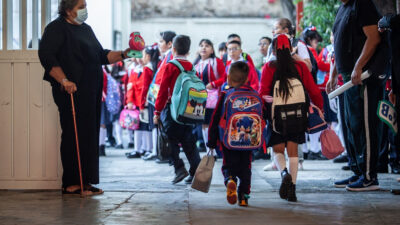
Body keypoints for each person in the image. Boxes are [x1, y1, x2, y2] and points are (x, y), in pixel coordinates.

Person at [38, 0, 131, 195]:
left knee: (89, 134)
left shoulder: (86, 29)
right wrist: (64, 80)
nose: (84, 10)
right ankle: (71, 183)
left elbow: (101, 56)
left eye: (85, 5)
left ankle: (86, 181)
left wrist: (124, 53)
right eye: (81, 6)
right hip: (71, 91)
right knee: (73, 133)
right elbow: (47, 57)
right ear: (68, 9)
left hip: (91, 91)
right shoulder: (56, 28)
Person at [326, 0, 384, 191]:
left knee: (366, 127)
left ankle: (369, 177)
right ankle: (358, 171)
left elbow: (373, 37)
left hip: (364, 76)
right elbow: (339, 43)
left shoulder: (362, 4)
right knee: (353, 126)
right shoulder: (344, 8)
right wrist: (333, 73)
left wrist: (359, 66)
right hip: (347, 77)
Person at [260, 34, 323, 202]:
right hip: (298, 115)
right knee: (293, 151)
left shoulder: (269, 67)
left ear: (273, 50)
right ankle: (292, 189)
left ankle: (283, 173)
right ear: (291, 48)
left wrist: (263, 113)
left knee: (278, 149)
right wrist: (319, 107)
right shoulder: (301, 67)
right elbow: (314, 90)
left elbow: (262, 93)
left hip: (276, 117)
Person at [208, 61, 264, 207]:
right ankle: (244, 196)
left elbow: (215, 119)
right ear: (247, 79)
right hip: (249, 142)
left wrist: (211, 141)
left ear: (228, 79)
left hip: (229, 140)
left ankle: (230, 180)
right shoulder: (254, 95)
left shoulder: (226, 94)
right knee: (246, 169)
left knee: (228, 165)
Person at [153, 35, 201, 184]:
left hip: (172, 109)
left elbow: (162, 91)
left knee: (170, 139)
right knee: (189, 141)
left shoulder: (170, 65)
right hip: (188, 109)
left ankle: (179, 168)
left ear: (173, 48)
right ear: (188, 50)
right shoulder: (192, 66)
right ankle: (195, 171)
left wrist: (157, 112)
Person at [126, 45, 160, 159]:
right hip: (138, 101)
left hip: (145, 101)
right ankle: (139, 149)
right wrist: (130, 100)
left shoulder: (148, 68)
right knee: (138, 126)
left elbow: (145, 87)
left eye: (142, 55)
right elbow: (130, 86)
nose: (139, 58)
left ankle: (147, 148)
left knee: (147, 126)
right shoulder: (135, 70)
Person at [193, 39, 226, 156]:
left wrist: (213, 84)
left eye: (207, 46)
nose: (203, 48)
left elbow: (224, 78)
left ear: (212, 50)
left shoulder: (216, 62)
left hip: (213, 98)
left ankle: (215, 149)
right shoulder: (195, 64)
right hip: (199, 98)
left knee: (212, 123)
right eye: (201, 45)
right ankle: (208, 150)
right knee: (203, 124)